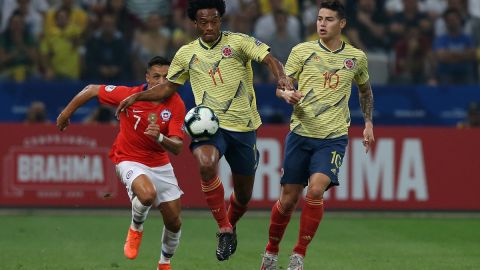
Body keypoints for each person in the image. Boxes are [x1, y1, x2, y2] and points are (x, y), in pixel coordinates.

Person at [115, 0, 294, 262]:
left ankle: (230, 225)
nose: (209, 26)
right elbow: (167, 88)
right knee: (207, 163)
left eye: (214, 21)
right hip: (208, 124)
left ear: (220, 20)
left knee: (243, 196)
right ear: (195, 24)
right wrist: (137, 98)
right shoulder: (186, 54)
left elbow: (270, 59)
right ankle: (223, 228)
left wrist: (282, 77)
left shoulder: (239, 42)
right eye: (203, 22)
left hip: (244, 127)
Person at [260, 1, 375, 269]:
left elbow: (365, 90)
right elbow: (282, 85)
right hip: (301, 134)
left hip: (333, 137)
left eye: (329, 19)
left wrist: (368, 123)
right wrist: (286, 93)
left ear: (342, 24)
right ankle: (271, 251)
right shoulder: (302, 51)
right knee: (288, 200)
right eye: (320, 19)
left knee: (315, 190)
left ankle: (298, 255)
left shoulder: (356, 58)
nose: (322, 24)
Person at [56, 56, 186, 270]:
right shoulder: (130, 95)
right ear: (147, 77)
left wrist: (160, 138)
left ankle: (164, 263)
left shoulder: (176, 103)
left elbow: (178, 147)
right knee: (146, 194)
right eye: (156, 76)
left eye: (166, 77)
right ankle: (136, 228)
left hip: (160, 164)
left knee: (174, 222)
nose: (162, 81)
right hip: (129, 159)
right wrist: (66, 113)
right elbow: (91, 89)